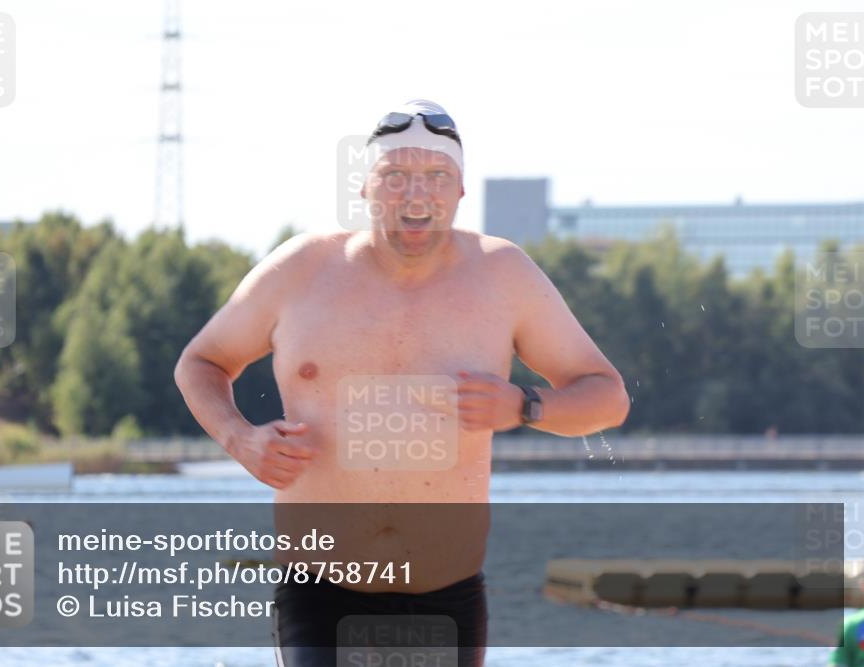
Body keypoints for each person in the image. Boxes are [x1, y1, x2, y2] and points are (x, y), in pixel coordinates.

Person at [174, 99, 630, 667]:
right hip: (318, 588)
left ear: (460, 190)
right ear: (365, 186)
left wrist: (523, 404)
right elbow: (200, 363)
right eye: (395, 177)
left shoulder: (504, 277)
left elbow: (607, 398)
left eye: (436, 176)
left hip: (445, 596)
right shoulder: (300, 272)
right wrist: (240, 439)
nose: (416, 195)